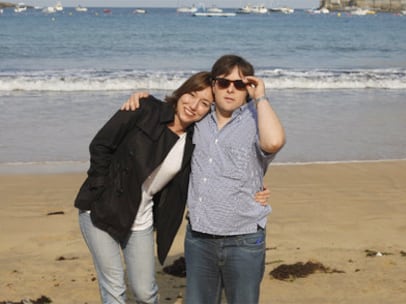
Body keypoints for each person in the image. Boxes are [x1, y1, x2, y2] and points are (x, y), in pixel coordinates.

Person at [122, 54, 286, 304]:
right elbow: (170, 113)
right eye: (223, 83)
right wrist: (142, 99)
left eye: (240, 85)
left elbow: (273, 142)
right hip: (199, 238)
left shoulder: (256, 121)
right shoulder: (198, 121)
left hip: (243, 238)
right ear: (213, 85)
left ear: (247, 90)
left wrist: (261, 97)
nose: (231, 89)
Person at [74, 71, 214, 304]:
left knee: (145, 292)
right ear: (182, 91)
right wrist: (100, 189)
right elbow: (100, 145)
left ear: (209, 111)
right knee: (115, 287)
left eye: (205, 104)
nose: (194, 106)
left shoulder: (196, 140)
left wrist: (254, 191)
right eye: (192, 94)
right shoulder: (146, 109)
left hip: (141, 219)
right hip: (101, 210)